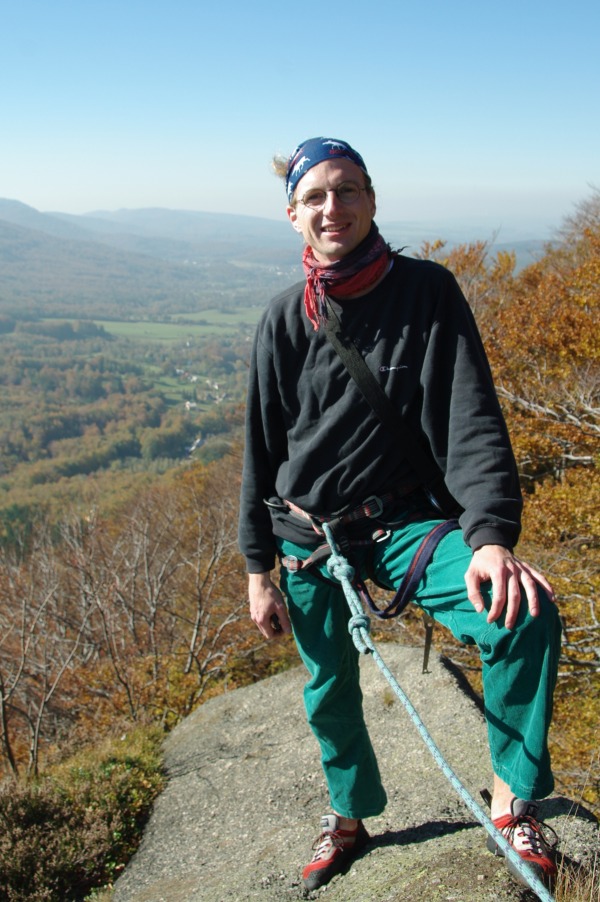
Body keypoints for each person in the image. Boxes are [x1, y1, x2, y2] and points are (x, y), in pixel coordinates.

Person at [238, 137, 561, 891]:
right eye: (315, 197)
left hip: (402, 524)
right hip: (310, 534)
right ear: (293, 216)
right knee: (327, 684)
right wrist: (258, 570)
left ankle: (511, 805)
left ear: (372, 200)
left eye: (347, 190)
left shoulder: (427, 292)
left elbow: (471, 419)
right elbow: (261, 449)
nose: (333, 207)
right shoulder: (285, 319)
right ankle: (348, 815)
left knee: (522, 615)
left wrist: (490, 538)